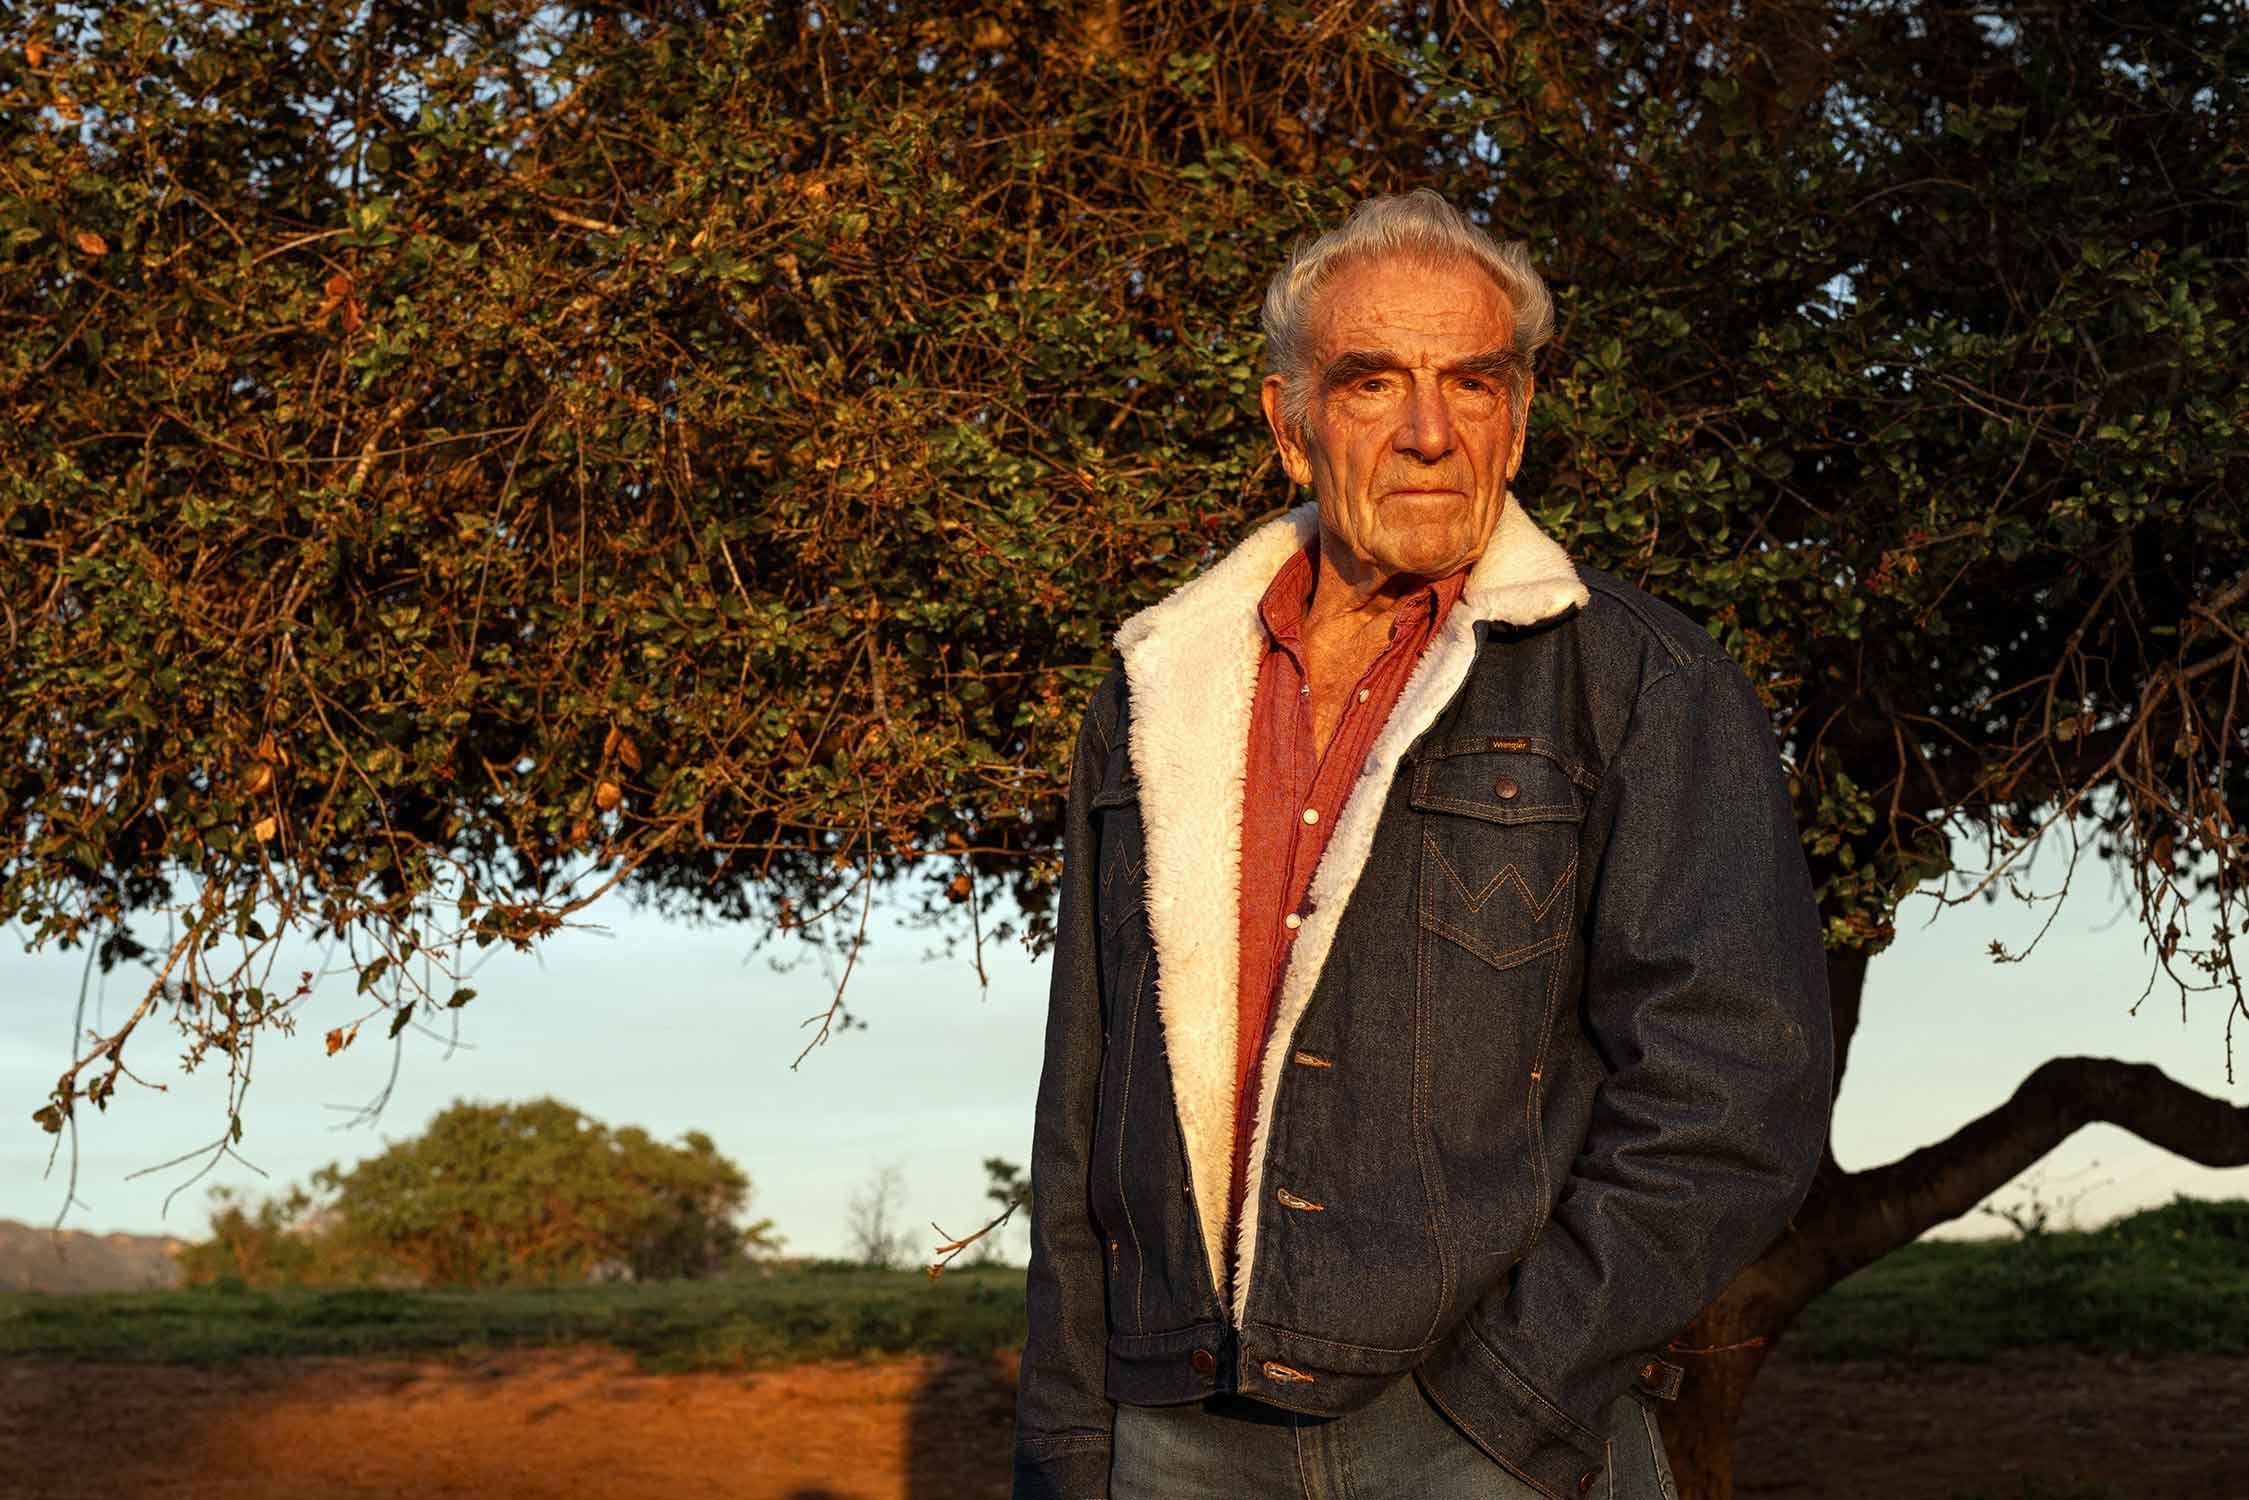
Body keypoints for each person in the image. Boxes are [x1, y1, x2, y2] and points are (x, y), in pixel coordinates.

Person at [1012, 189, 1833, 1500]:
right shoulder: (1154, 689)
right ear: (1289, 426)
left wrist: (1511, 1397)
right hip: (1168, 1431)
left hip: (1482, 1433)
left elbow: (1735, 1080)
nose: (1428, 433)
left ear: (1517, 417)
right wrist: (1067, 1440)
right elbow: (1085, 1101)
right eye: (1370, 382)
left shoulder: (1640, 683)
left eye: (1473, 381)